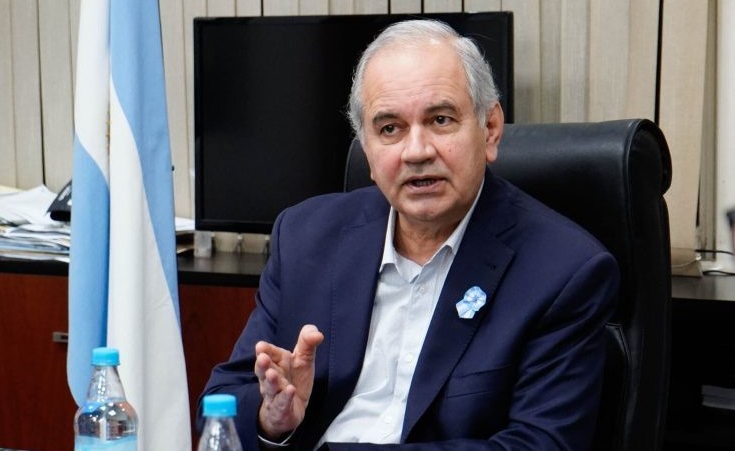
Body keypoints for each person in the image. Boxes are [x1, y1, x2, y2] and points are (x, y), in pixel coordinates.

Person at [201, 19, 619, 451]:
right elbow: (222, 400)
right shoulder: (307, 236)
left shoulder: (563, 271)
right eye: (390, 129)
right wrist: (271, 419)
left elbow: (540, 444)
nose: (417, 151)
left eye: (440, 120)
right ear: (366, 147)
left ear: (491, 128)